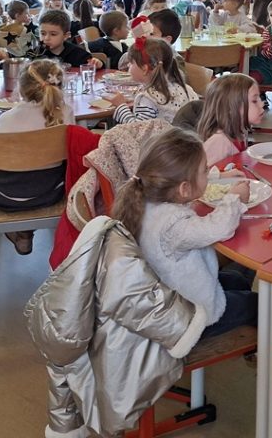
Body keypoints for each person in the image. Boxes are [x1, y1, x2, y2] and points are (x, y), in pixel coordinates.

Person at [110, 127, 257, 340]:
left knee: (236, 280)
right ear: (184, 189)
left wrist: (218, 176)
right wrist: (234, 198)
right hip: (189, 318)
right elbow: (220, 228)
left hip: (174, 293)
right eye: (205, 170)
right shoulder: (173, 226)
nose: (208, 173)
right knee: (255, 304)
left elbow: (191, 182)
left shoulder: (146, 200)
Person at [0, 59, 74, 255]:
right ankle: (25, 231)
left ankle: (22, 231)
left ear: (21, 88)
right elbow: (72, 156)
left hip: (6, 195)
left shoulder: (5, 119)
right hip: (50, 193)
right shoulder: (66, 113)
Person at [110, 38, 197, 124]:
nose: (128, 65)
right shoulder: (186, 89)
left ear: (144, 69)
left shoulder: (147, 98)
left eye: (131, 62)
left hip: (162, 138)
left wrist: (121, 106)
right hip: (185, 136)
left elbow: (138, 131)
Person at [196, 73, 264, 166]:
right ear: (231, 108)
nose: (262, 104)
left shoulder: (238, 132)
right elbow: (201, 175)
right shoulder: (220, 141)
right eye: (254, 101)